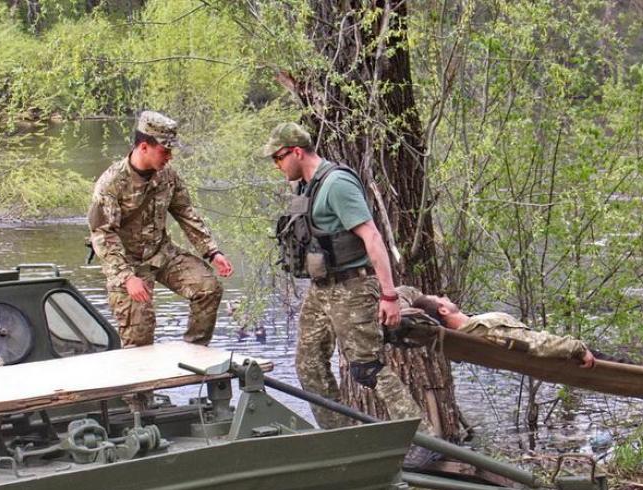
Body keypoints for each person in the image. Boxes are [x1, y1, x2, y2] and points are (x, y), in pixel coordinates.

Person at [264, 122, 427, 446]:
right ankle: (342, 439)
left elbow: (372, 237)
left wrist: (389, 295)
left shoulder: (337, 184)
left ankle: (424, 439)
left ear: (297, 152)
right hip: (322, 289)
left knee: (367, 368)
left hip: (353, 287)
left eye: (278, 158)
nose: (276, 165)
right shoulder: (305, 187)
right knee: (309, 366)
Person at [88, 111, 234, 347]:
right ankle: (142, 371)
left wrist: (212, 252)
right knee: (139, 340)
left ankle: (195, 353)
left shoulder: (167, 175)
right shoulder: (111, 184)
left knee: (208, 288)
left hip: (162, 254)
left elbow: (185, 212)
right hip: (127, 263)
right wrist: (127, 278)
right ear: (144, 147)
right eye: (165, 151)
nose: (170, 157)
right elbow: (103, 235)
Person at [406, 291, 597, 367]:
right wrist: (578, 347)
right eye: (440, 298)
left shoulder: (468, 330)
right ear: (443, 310)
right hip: (573, 355)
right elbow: (535, 344)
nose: (445, 297)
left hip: (563, 350)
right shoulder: (484, 329)